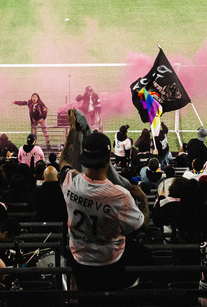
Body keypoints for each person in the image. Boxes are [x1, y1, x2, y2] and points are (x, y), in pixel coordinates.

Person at [59, 117, 148, 296]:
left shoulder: (70, 182)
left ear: (84, 159)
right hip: (110, 262)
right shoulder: (120, 196)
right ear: (109, 158)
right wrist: (144, 200)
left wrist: (72, 129)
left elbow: (64, 162)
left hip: (78, 260)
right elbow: (142, 226)